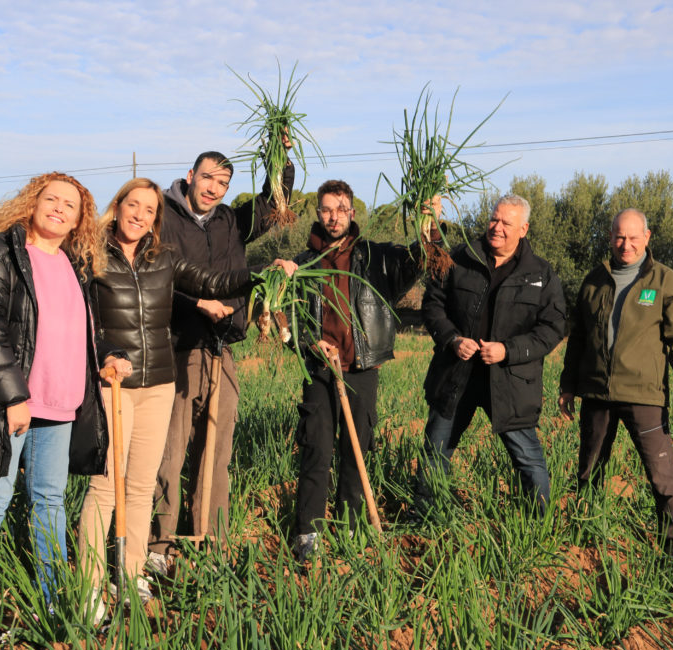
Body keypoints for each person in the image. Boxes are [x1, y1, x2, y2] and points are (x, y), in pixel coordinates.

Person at [77, 178, 295, 614]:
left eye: (149, 209)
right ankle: (90, 588)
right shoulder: (90, 254)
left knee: (140, 488)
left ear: (157, 217)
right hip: (112, 381)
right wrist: (104, 355)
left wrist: (260, 273)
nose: (139, 215)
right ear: (117, 206)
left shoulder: (164, 258)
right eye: (132, 205)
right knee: (105, 488)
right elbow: (82, 318)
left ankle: (133, 574)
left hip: (158, 380)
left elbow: (213, 281)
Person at [0, 172, 129, 635]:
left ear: (80, 219)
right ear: (32, 203)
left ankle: (54, 608)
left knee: (49, 502)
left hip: (60, 404)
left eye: (70, 205)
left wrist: (106, 356)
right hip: (11, 403)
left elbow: (80, 328)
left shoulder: (75, 264)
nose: (59, 208)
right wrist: (13, 397)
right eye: (51, 199)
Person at [149, 147, 293, 572]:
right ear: (190, 175)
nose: (215, 189)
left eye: (224, 183)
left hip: (222, 347)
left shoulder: (230, 220)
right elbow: (157, 277)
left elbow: (272, 206)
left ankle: (211, 544)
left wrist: (279, 158)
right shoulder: (163, 215)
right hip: (178, 345)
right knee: (170, 452)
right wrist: (197, 303)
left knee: (218, 450)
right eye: (209, 179)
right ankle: (159, 546)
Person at [289, 179, 430, 561]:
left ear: (352, 213)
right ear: (318, 214)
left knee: (357, 449)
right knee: (317, 448)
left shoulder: (375, 257)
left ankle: (351, 526)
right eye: (326, 210)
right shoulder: (303, 265)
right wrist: (308, 343)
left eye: (341, 209)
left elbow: (417, 261)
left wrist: (429, 222)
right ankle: (308, 532)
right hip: (320, 370)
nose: (333, 217)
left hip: (361, 368)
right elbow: (288, 321)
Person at [558, 208, 673, 554]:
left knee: (662, 478)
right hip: (596, 393)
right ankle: (583, 543)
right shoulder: (594, 281)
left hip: (644, 396)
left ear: (647, 238)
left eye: (634, 237)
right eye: (620, 237)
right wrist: (568, 385)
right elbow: (578, 339)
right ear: (610, 237)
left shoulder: (665, 281)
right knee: (589, 472)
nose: (626, 245)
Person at [417, 194, 565, 516]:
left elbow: (553, 327)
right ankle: (428, 517)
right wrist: (453, 339)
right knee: (435, 450)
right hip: (457, 376)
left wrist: (508, 350)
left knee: (528, 458)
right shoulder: (460, 257)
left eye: (506, 223)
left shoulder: (540, 273)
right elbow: (432, 304)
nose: (496, 228)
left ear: (523, 229)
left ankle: (537, 525)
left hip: (510, 383)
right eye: (494, 219)